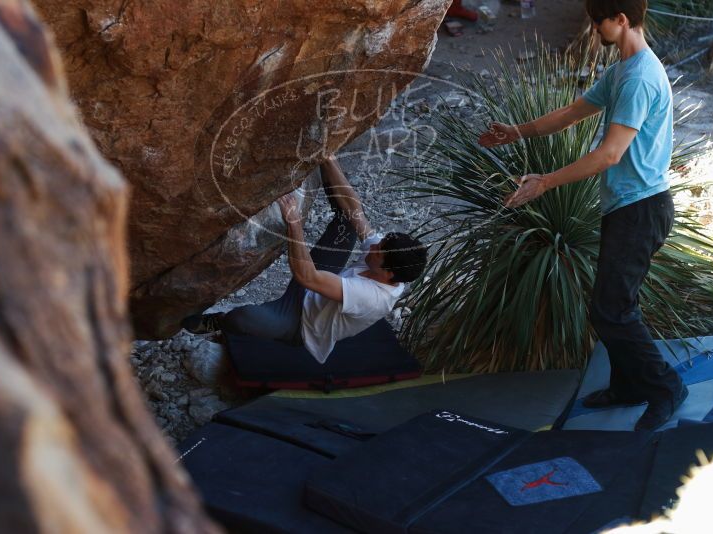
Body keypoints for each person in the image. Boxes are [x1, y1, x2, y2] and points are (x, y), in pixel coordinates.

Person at [478, 0, 687, 431]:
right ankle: (628, 385)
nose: (594, 30)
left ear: (622, 20)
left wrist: (546, 182)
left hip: (642, 208)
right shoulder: (621, 72)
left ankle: (666, 388)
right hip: (627, 207)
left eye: (599, 22)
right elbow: (572, 113)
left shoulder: (640, 79)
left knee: (611, 311)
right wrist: (517, 132)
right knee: (612, 307)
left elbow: (610, 154)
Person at [182, 156, 428, 364]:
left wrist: (294, 223)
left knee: (245, 318)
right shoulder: (387, 259)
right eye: (379, 244)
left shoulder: (372, 297)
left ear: (388, 274)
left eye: (377, 252)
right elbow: (356, 212)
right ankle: (321, 165)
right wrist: (328, 158)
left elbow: (306, 277)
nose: (373, 245)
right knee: (347, 221)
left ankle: (219, 321)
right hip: (321, 284)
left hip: (300, 323)